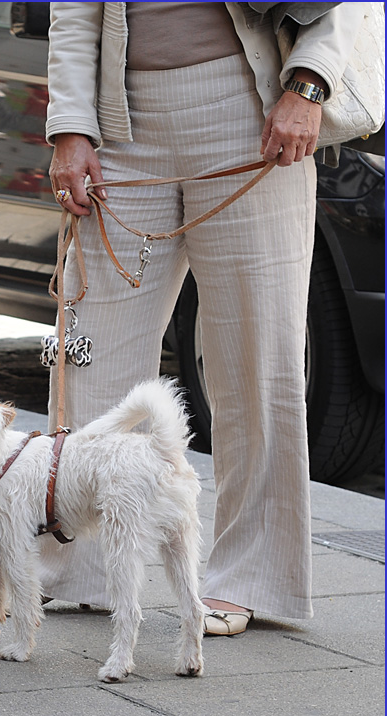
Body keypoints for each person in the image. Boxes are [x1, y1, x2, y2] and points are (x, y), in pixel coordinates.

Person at [38, 1, 368, 636]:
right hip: (121, 118)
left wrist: (309, 82)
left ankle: (250, 576)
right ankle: (80, 561)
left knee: (256, 359)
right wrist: (71, 126)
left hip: (247, 104)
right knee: (94, 351)